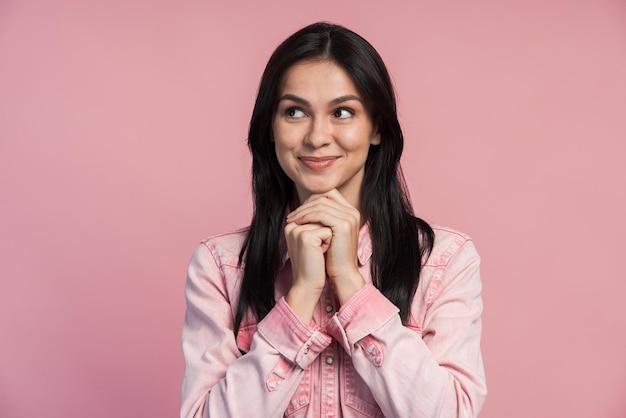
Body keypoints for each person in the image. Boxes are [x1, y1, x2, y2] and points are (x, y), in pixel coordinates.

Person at [181, 22, 486, 418]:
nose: (317, 136)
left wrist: (352, 284)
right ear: (269, 128)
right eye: (294, 112)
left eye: (342, 112)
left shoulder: (443, 260)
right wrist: (302, 294)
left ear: (377, 127)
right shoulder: (220, 266)